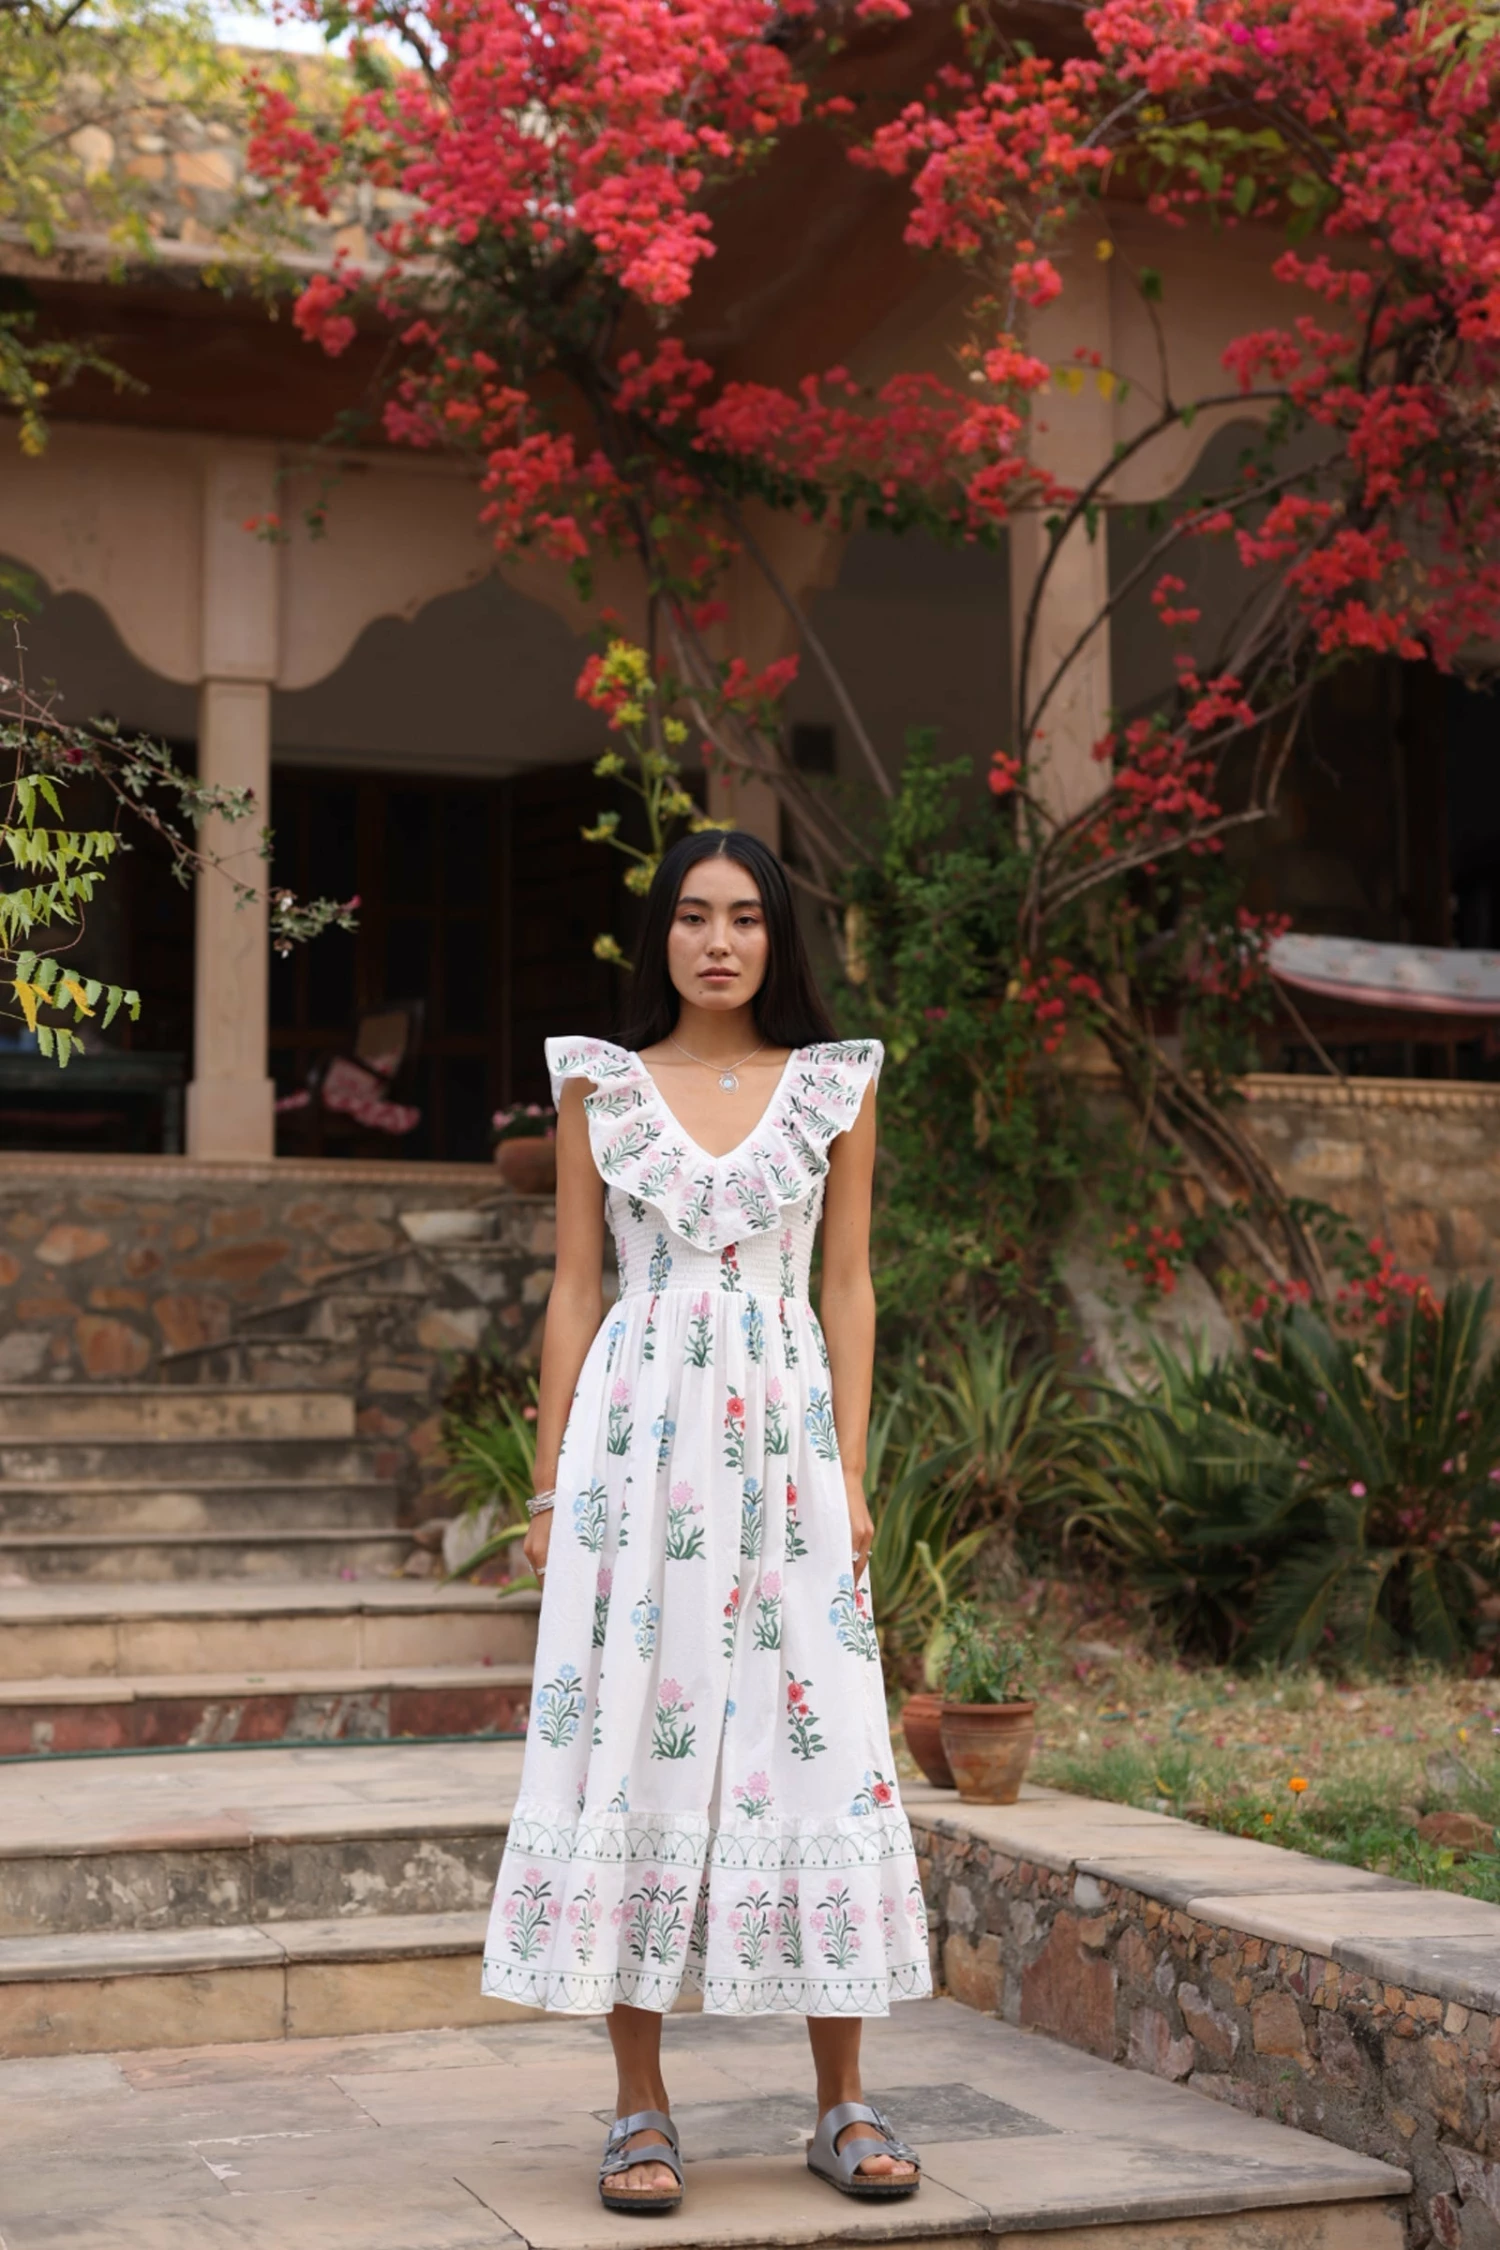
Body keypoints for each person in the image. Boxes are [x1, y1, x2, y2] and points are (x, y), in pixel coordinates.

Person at [482, 829, 929, 2211]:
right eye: (692, 915)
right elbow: (575, 1288)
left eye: (743, 917)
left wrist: (851, 1473)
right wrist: (548, 1487)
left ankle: (843, 2100)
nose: (718, 940)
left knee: (823, 1741)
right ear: (660, 935)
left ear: (777, 937)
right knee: (636, 1738)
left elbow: (847, 1286)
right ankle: (639, 2105)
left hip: (788, 1449)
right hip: (636, 1452)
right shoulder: (599, 1086)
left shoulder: (834, 1086)